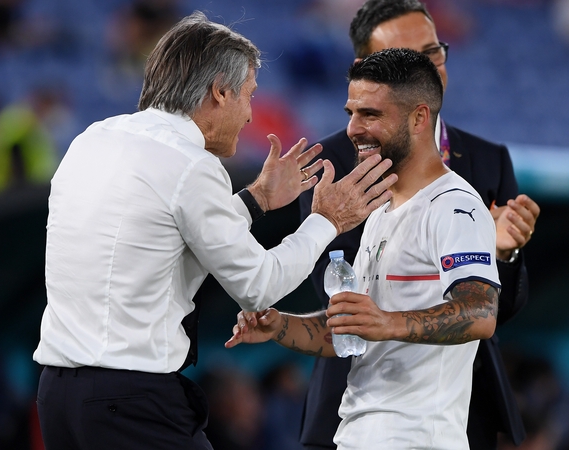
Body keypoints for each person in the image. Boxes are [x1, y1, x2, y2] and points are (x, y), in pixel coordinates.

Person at [32, 11, 398, 450]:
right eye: (248, 95)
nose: (249, 114)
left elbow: (165, 234)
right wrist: (327, 221)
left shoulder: (93, 138)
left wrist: (258, 198)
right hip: (129, 402)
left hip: (58, 397)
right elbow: (258, 286)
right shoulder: (192, 165)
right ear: (219, 93)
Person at [227, 47, 501, 448]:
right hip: (357, 434)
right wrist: (279, 325)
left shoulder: (455, 206)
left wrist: (387, 322)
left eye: (370, 114)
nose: (354, 128)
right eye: (351, 113)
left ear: (419, 118)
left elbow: (480, 311)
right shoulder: (379, 213)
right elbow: (350, 333)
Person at [296, 1, 540, 448]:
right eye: (406, 55)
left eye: (432, 52)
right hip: (356, 414)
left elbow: (486, 310)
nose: (423, 66)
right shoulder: (333, 164)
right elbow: (339, 298)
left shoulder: (481, 169)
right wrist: (278, 325)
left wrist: (498, 254)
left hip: (443, 414)